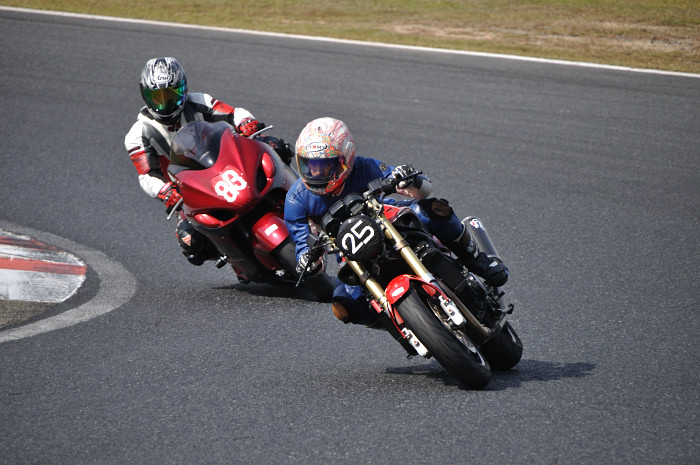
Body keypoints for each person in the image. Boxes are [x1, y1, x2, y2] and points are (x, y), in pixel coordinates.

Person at [284, 117, 509, 327]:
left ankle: (477, 260)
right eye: (309, 165)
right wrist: (308, 261)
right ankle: (406, 326)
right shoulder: (296, 199)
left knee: (436, 210)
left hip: (386, 217)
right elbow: (303, 245)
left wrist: (409, 179)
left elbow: (418, 188)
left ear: (347, 157)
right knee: (343, 307)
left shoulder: (365, 167)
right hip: (349, 250)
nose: (316, 173)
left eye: (325, 166)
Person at [124, 57, 282, 265]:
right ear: (145, 95)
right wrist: (164, 191)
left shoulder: (199, 101)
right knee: (191, 243)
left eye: (171, 95)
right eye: (157, 97)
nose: (165, 104)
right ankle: (239, 263)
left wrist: (246, 122)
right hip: (187, 190)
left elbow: (233, 113)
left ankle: (304, 197)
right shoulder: (137, 134)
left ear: (183, 90)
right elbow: (147, 176)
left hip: (224, 166)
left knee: (274, 145)